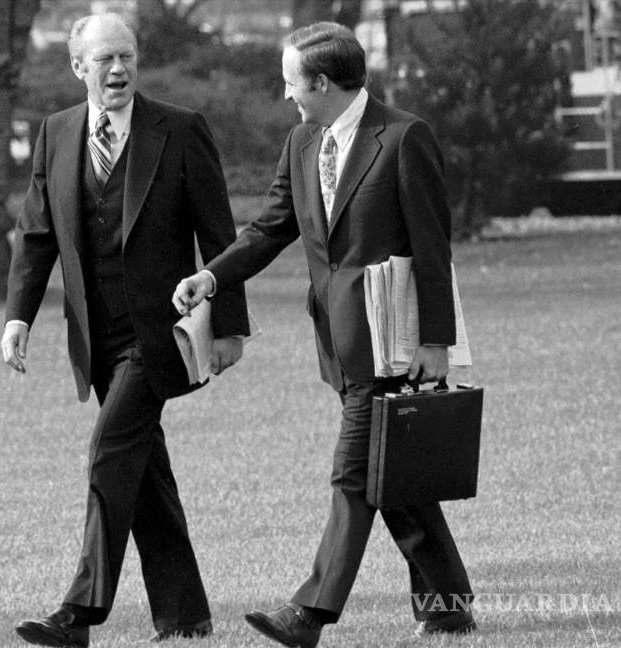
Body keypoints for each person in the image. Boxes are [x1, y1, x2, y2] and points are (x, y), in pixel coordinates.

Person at [173, 22, 475, 646]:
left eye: (291, 83)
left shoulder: (404, 137)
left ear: (321, 82)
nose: (286, 95)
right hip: (338, 342)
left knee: (353, 475)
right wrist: (211, 276)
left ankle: (309, 613)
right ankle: (448, 606)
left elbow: (432, 244)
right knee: (395, 478)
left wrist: (435, 340)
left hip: (392, 344)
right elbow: (269, 229)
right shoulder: (302, 141)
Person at [1, 13, 249, 647]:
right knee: (144, 473)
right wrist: (18, 316)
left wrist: (229, 326)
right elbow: (37, 235)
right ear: (77, 66)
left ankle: (79, 613)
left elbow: (218, 233)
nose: (118, 69)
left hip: (159, 334)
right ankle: (185, 616)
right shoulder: (56, 132)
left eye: (127, 57)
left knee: (110, 452)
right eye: (104, 59)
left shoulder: (181, 129)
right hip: (96, 336)